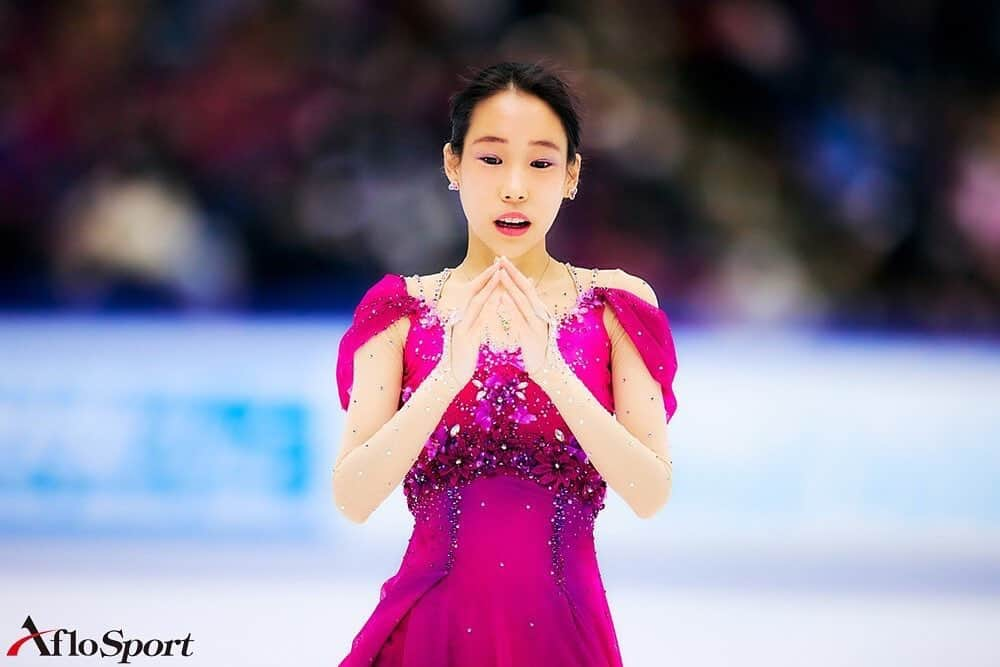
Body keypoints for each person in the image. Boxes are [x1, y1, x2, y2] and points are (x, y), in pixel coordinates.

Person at [333, 61, 679, 667]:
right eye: (492, 159)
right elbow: (354, 498)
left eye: (541, 162)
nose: (514, 186)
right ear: (453, 165)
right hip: (426, 628)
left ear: (571, 174)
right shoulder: (401, 312)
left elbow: (650, 492)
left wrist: (552, 371)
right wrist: (446, 375)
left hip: (563, 633)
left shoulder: (616, 307)